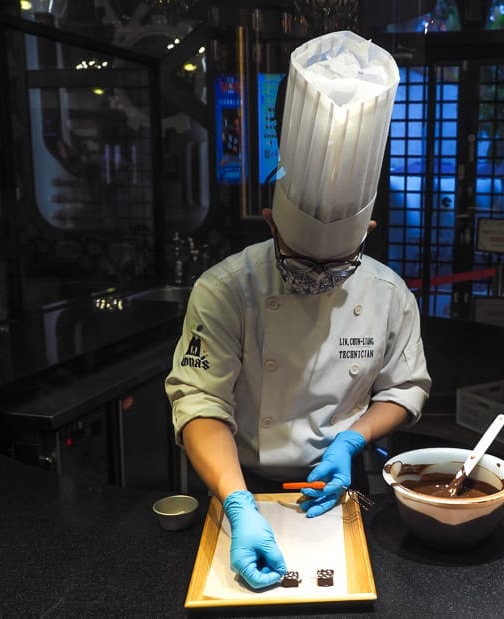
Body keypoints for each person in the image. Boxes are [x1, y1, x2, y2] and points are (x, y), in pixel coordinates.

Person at [165, 31, 431, 591]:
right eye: (300, 264)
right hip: (239, 478)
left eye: (336, 270)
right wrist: (238, 504)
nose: (316, 282)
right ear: (269, 223)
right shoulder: (225, 289)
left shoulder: (388, 292)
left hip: (344, 485)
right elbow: (200, 402)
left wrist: (352, 440)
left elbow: (405, 389)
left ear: (368, 236)